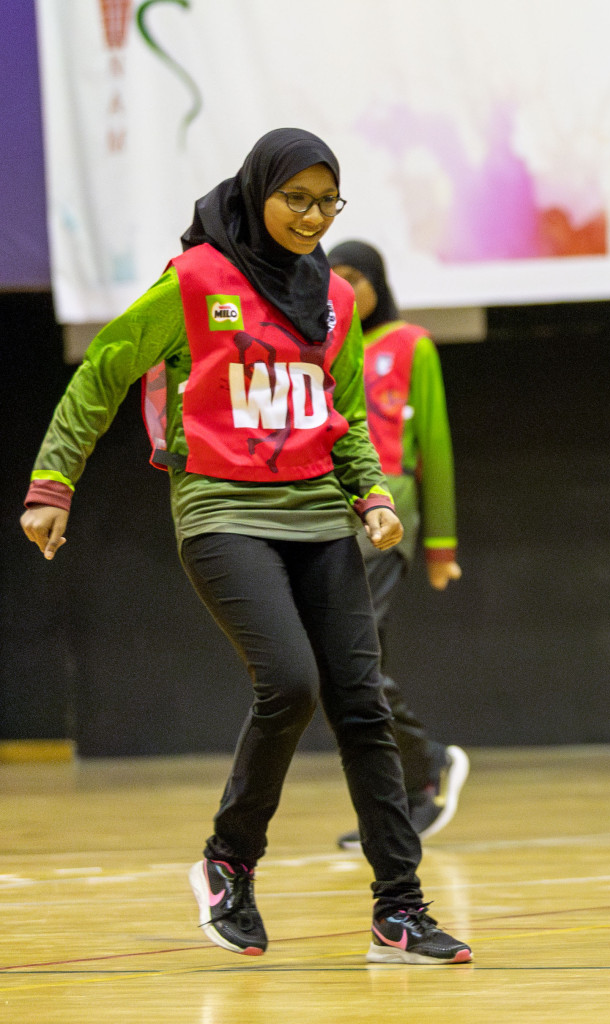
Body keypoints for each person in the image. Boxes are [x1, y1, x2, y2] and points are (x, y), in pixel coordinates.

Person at [19, 129, 471, 964]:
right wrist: (53, 483)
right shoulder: (196, 281)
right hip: (223, 511)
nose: (310, 214)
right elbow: (104, 370)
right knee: (291, 683)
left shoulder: (332, 297)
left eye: (325, 200)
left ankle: (399, 909)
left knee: (362, 702)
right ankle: (229, 862)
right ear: (256, 191)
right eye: (293, 197)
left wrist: (370, 496)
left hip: (318, 514)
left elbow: (343, 416)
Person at [326, 240, 469, 850]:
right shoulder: (323, 348)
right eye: (333, 278)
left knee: (351, 662)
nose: (345, 289)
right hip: (329, 514)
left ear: (377, 282)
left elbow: (433, 445)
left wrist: (439, 546)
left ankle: (426, 766)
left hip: (388, 517)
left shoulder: (412, 344)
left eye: (355, 277)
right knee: (351, 670)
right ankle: (404, 797)